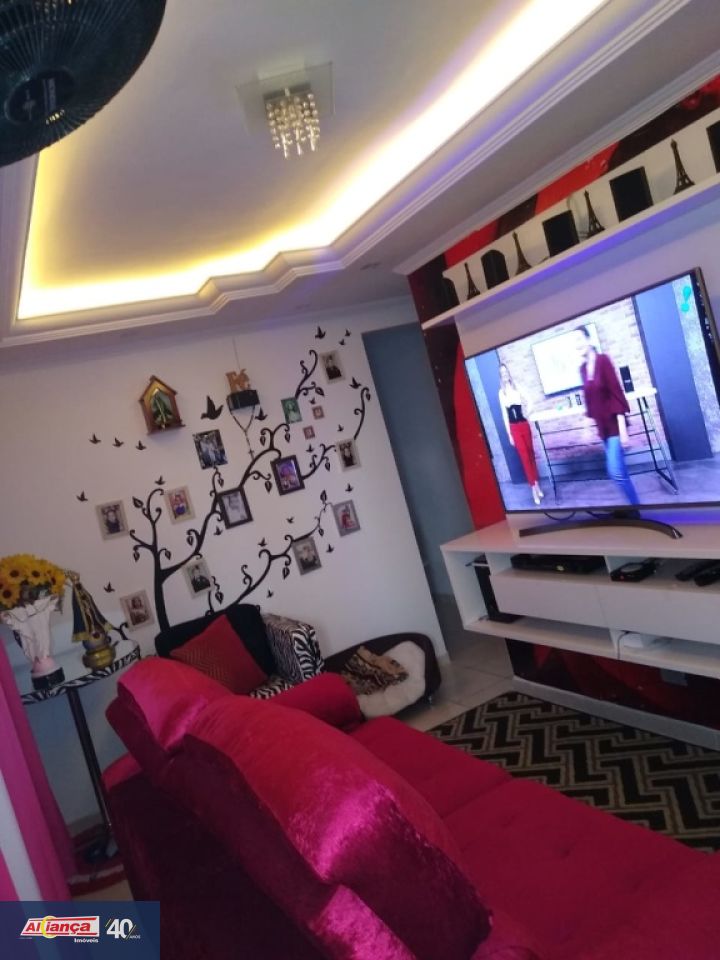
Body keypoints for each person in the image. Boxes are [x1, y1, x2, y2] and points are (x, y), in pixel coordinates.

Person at [575, 326, 639, 505]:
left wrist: (623, 431)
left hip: (615, 426)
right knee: (621, 473)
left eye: (579, 339)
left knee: (615, 472)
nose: (577, 344)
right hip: (603, 429)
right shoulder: (582, 369)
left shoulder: (603, 361)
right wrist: (586, 428)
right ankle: (636, 507)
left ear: (589, 340)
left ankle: (636, 507)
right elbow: (589, 401)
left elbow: (616, 393)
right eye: (574, 342)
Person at [498, 364, 544, 505]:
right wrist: (509, 435)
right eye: (502, 373)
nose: (505, 374)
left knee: (531, 455)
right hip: (514, 429)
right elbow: (505, 416)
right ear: (500, 376)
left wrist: (527, 413)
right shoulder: (501, 393)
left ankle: (537, 485)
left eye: (506, 371)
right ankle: (533, 489)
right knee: (524, 458)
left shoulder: (517, 386)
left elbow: (530, 401)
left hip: (524, 425)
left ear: (508, 373)